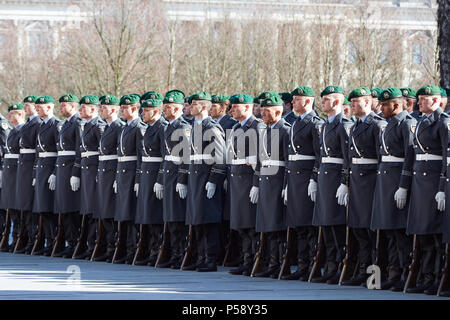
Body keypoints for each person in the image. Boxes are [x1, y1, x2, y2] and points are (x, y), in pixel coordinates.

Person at [370, 88, 416, 291]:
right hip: (386, 180)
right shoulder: (388, 124)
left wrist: (403, 186)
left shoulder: (406, 124)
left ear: (396, 105)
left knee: (399, 232)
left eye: (385, 105)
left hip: (397, 180)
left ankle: (405, 274)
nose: (381, 108)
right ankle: (393, 273)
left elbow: (410, 156)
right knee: (388, 230)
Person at [341, 86, 387, 286]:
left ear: (367, 102)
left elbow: (381, 158)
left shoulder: (376, 125)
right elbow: (349, 157)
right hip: (357, 182)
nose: (352, 105)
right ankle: (363, 271)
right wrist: (345, 183)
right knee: (359, 231)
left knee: (372, 232)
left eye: (356, 102)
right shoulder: (356, 125)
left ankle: (375, 275)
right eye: (351, 102)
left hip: (371, 182)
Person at [405, 85, 449, 295]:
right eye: (419, 99)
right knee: (423, 232)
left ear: (436, 101)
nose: (419, 102)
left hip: (433, 183)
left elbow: (446, 159)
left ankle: (438, 277)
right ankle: (427, 276)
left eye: (423, 99)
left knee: (434, 233)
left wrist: (442, 187)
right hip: (420, 182)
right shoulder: (420, 121)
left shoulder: (442, 122)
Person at [310, 86, 352, 284]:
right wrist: (313, 179)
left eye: (326, 100)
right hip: (324, 178)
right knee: (325, 224)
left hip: (335, 178)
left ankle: (340, 265)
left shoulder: (344, 125)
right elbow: (320, 156)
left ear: (336, 102)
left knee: (336, 225)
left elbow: (347, 157)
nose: (323, 103)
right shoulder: (326, 125)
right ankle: (331, 265)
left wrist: (344, 182)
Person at [282, 86, 324, 281]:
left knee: (308, 226)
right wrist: (286, 184)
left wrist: (314, 179)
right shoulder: (296, 122)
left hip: (307, 178)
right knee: (298, 225)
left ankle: (312, 264)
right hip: (295, 179)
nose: (293, 103)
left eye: (296, 100)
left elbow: (320, 155)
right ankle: (302, 265)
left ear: (307, 101)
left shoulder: (315, 124)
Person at [184, 91, 226, 272]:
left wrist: (214, 180)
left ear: (203, 106)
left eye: (193, 104)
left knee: (208, 222)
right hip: (195, 177)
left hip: (206, 178)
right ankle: (201, 257)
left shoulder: (211, 127)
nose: (190, 107)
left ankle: (211, 259)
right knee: (198, 221)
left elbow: (221, 157)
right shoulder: (195, 126)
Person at [252, 93, 290, 278]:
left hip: (277, 181)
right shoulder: (264, 130)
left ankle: (278, 263)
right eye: (262, 111)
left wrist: (286, 185)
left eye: (267, 111)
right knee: (267, 224)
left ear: (278, 112)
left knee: (277, 226)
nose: (263, 114)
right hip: (265, 181)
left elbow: (288, 161)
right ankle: (270, 262)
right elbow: (260, 161)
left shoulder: (285, 130)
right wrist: (255, 184)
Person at [227, 94, 265, 276]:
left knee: (251, 225)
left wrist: (256, 183)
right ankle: (246, 260)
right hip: (237, 180)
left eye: (235, 107)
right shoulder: (235, 127)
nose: (232, 110)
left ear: (247, 107)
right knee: (241, 224)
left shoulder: (257, 126)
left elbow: (261, 159)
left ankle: (256, 261)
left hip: (249, 180)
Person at [112, 94, 146, 264]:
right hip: (123, 174)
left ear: (134, 108)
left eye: (125, 108)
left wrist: (138, 179)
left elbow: (141, 157)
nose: (122, 111)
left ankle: (134, 249)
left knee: (131, 214)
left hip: (132, 174)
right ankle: (126, 248)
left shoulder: (139, 127)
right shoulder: (125, 127)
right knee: (123, 214)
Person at [159, 90, 191, 269]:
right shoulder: (168, 126)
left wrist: (182, 179)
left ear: (178, 108)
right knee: (170, 218)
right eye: (164, 107)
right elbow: (166, 156)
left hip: (177, 175)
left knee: (178, 219)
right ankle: (174, 253)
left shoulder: (183, 127)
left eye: (169, 107)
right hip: (168, 174)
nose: (165, 110)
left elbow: (186, 156)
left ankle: (181, 254)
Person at [134, 97, 167, 266]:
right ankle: (150, 250)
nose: (142, 113)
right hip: (146, 175)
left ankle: (157, 251)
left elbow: (165, 157)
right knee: (146, 215)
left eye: (146, 111)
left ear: (155, 111)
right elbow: (141, 158)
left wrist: (160, 179)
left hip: (155, 176)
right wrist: (139, 179)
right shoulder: (148, 128)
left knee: (154, 217)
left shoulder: (162, 128)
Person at [72, 95, 106, 259]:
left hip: (94, 170)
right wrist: (76, 172)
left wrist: (99, 171)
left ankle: (95, 244)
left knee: (93, 209)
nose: (79, 110)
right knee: (86, 209)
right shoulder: (86, 125)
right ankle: (89, 244)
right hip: (86, 169)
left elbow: (103, 152)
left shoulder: (99, 125)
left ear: (93, 109)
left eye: (83, 107)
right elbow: (80, 151)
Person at [93, 94, 124, 262]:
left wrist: (116, 177)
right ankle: (107, 245)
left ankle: (114, 247)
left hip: (113, 171)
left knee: (110, 212)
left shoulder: (119, 127)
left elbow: (121, 154)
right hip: (103, 171)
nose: (101, 111)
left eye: (104, 108)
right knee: (103, 211)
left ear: (113, 109)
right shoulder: (106, 127)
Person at [53, 94, 83, 258]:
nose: (61, 108)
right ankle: (70, 242)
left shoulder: (77, 123)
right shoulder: (66, 123)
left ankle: (75, 243)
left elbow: (79, 151)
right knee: (63, 208)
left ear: (73, 106)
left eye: (64, 105)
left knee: (71, 209)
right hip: (62, 168)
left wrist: (75, 173)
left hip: (70, 168)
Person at [32, 96, 61, 256]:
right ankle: (49, 240)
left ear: (49, 107)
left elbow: (60, 152)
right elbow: (38, 151)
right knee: (42, 209)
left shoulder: (56, 124)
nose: (36, 109)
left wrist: (55, 173)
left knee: (49, 209)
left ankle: (54, 241)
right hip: (42, 168)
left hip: (50, 168)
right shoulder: (42, 124)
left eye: (39, 106)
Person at [15, 95, 42, 254]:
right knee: (24, 205)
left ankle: (34, 239)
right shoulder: (29, 123)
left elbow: (39, 149)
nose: (25, 108)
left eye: (28, 105)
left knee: (31, 205)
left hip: (31, 164)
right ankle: (26, 238)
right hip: (23, 166)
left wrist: (34, 171)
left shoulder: (38, 123)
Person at [0, 104, 25, 252]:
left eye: (12, 114)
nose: (9, 117)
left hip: (9, 170)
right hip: (8, 170)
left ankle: (14, 237)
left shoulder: (2, 125)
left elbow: (4, 148)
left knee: (8, 208)